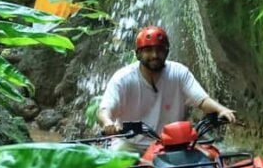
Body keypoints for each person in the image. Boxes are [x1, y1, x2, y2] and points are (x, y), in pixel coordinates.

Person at [97, 26, 235, 151]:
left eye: (159, 50)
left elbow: (202, 100)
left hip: (174, 143)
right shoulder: (123, 78)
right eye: (148, 50)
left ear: (167, 51)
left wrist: (221, 109)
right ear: (138, 54)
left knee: (209, 162)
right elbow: (105, 110)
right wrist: (108, 123)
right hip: (132, 145)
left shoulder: (179, 72)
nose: (155, 55)